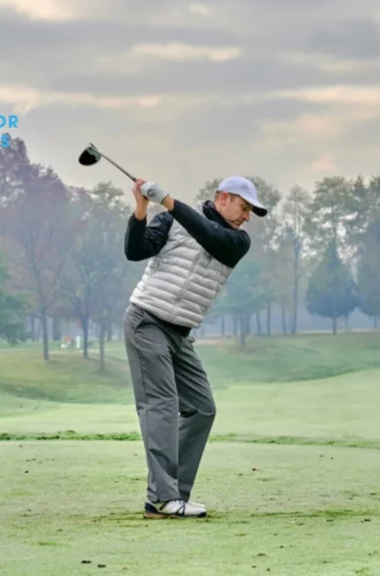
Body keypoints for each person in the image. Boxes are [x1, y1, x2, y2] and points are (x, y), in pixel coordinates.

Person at [122, 175, 267, 519]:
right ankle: (162, 498)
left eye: (249, 212)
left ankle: (174, 495)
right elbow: (135, 251)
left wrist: (169, 199)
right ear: (222, 198)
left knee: (202, 408)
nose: (246, 217)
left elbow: (208, 235)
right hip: (147, 320)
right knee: (161, 404)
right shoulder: (171, 220)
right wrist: (142, 210)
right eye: (244, 207)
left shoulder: (236, 241)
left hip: (179, 333)